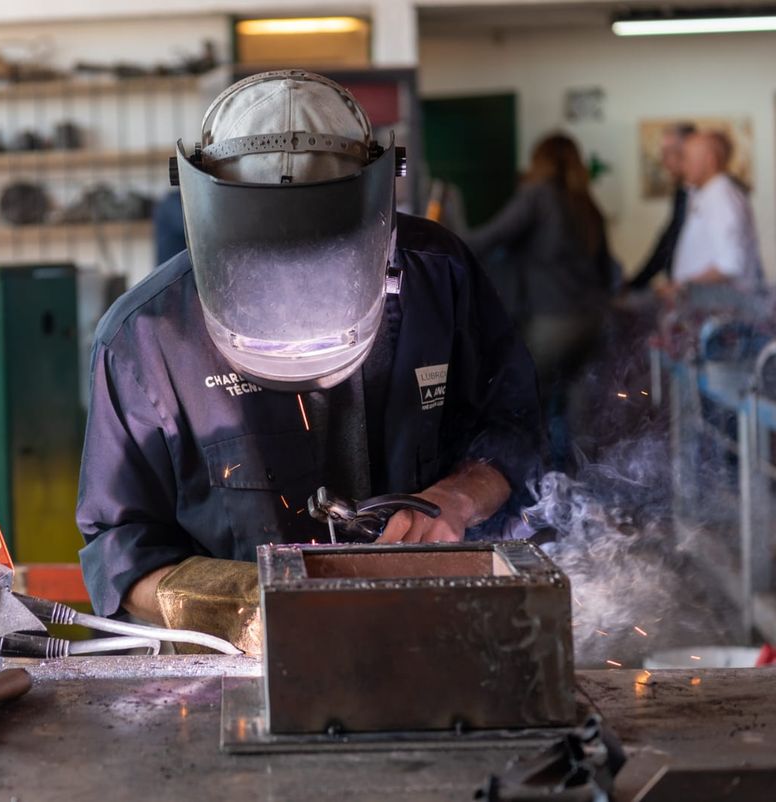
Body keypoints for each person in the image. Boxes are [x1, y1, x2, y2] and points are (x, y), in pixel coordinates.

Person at [75, 71, 541, 634]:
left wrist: (460, 497)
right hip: (238, 668)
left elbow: (516, 429)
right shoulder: (146, 338)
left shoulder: (439, 276)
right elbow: (121, 552)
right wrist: (240, 603)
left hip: (434, 631)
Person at [464, 134, 613, 468]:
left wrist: (437, 238)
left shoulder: (538, 196)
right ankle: (577, 483)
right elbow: (607, 268)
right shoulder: (585, 202)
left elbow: (488, 238)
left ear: (539, 161)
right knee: (576, 404)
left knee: (525, 403)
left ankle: (533, 486)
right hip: (592, 320)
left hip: (554, 319)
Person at [667, 131, 763, 291]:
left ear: (710, 160)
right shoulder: (709, 193)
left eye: (687, 159)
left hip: (722, 310)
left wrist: (680, 287)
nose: (682, 166)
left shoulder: (721, 197)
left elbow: (729, 265)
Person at [628, 122, 695, 291]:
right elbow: (669, 238)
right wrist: (637, 283)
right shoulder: (683, 190)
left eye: (667, 153)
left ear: (686, 152)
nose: (663, 161)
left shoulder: (706, 194)